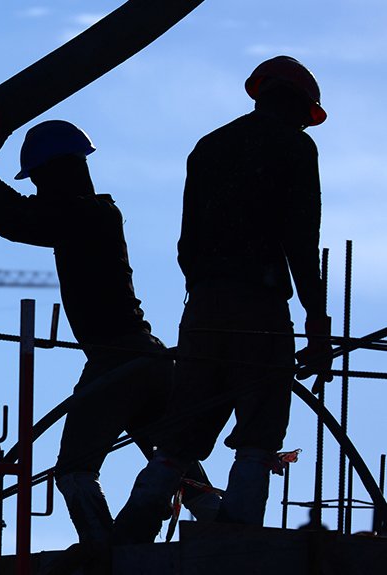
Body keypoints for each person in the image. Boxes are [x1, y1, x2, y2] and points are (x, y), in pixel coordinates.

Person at [0, 115, 216, 570]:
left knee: (75, 467)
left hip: (117, 360)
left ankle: (102, 546)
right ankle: (220, 530)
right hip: (148, 359)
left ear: (53, 173)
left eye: (38, 180)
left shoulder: (83, 216)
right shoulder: (95, 215)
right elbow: (24, 218)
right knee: (174, 458)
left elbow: (18, 220)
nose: (35, 189)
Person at [113, 55, 331, 544]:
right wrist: (316, 320)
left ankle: (129, 533)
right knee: (260, 426)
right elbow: (301, 238)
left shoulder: (209, 146)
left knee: (182, 426)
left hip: (204, 306)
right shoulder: (294, 147)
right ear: (296, 104)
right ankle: (237, 542)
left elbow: (185, 244)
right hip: (259, 304)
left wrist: (208, 295)